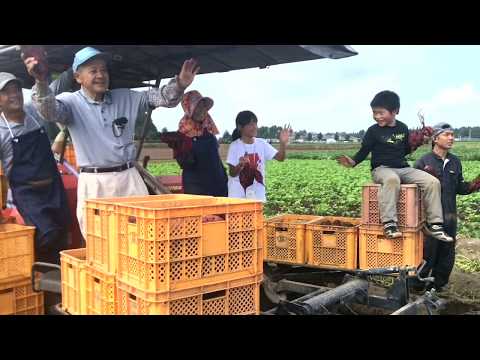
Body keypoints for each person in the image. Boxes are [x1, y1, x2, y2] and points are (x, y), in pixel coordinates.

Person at [24, 46, 199, 235]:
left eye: (103, 69)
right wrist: (41, 81)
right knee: (99, 240)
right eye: (93, 70)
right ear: (78, 77)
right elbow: (48, 110)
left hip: (129, 179)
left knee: (141, 237)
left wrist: (180, 84)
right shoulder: (70, 102)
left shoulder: (126, 97)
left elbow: (164, 97)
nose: (100, 75)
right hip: (95, 183)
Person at [337, 90, 452, 241]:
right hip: (382, 169)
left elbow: (404, 150)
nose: (377, 116)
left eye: (381, 113)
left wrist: (419, 141)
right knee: (392, 180)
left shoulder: (403, 128)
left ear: (395, 111)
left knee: (432, 182)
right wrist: (352, 162)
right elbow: (364, 151)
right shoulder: (373, 131)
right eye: (374, 113)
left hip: (403, 168)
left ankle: (435, 225)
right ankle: (389, 224)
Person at [0, 72, 70, 264]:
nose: (14, 95)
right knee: (45, 236)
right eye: (6, 92)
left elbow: (53, 89)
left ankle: (60, 285)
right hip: (28, 195)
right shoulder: (1, 131)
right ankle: (41, 281)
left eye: (16, 89)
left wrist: (68, 71)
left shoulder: (34, 111)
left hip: (54, 188)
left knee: (63, 234)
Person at [412, 123, 480, 291]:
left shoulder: (455, 161)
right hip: (428, 217)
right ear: (435, 138)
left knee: (447, 253)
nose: (451, 138)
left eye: (452, 135)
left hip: (449, 215)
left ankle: (438, 286)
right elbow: (412, 191)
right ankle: (417, 287)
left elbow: (460, 187)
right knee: (428, 251)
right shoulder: (423, 162)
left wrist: (476, 184)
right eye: (447, 134)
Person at [159, 90, 228, 196]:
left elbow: (216, 160)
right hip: (196, 188)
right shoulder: (181, 135)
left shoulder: (208, 129)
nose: (203, 110)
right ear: (189, 109)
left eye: (204, 107)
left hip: (218, 185)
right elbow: (184, 163)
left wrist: (224, 178)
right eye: (198, 107)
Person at [226, 110, 291, 202]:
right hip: (237, 197)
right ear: (240, 127)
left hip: (257, 196)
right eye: (250, 124)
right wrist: (240, 165)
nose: (255, 127)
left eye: (255, 123)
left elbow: (281, 158)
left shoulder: (262, 143)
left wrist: (283, 143)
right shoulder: (234, 146)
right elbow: (232, 173)